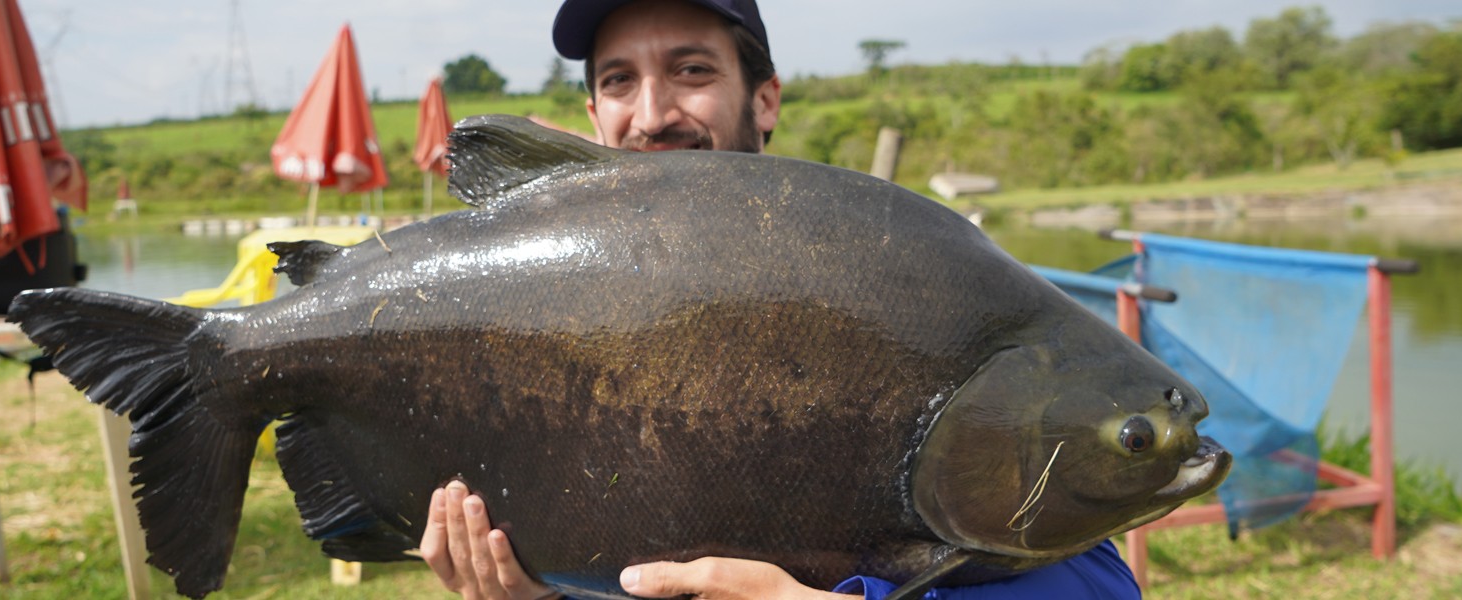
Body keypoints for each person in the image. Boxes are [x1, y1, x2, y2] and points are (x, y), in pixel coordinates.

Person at [418, 1, 1141, 598]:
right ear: (592, 110)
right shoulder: (549, 299)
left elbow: (1097, 584)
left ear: (765, 97)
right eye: (619, 82)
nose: (652, 115)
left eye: (690, 70)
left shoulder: (887, 276)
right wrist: (544, 588)